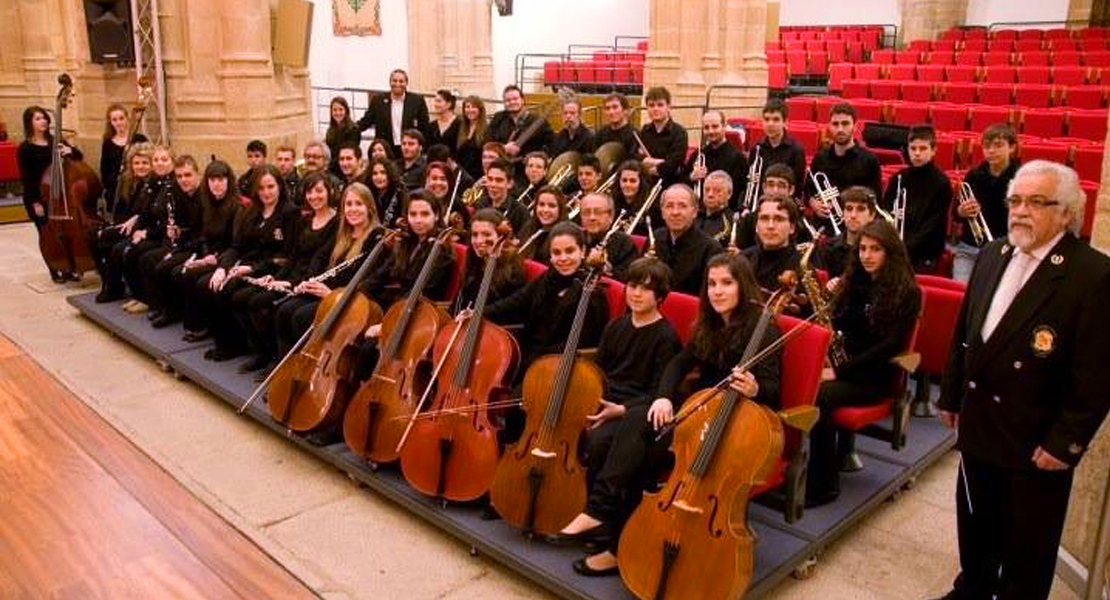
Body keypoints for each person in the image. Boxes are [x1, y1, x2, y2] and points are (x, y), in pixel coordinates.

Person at [933, 161, 1110, 600]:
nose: (1020, 211)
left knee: (1027, 548)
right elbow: (965, 335)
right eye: (1015, 201)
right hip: (980, 428)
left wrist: (1065, 443)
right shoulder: (994, 254)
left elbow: (1097, 374)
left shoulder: (1092, 275)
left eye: (1036, 202)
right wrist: (951, 395)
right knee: (975, 522)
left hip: (1034, 441)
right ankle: (971, 588)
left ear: (1066, 212)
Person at [551, 252, 780, 576]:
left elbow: (774, 390)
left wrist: (756, 388)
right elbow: (678, 365)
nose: (717, 291)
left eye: (726, 283)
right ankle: (607, 524)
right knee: (636, 423)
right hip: (697, 411)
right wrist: (662, 397)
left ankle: (611, 534)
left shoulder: (763, 328)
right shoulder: (710, 324)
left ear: (742, 286)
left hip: (733, 425)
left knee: (638, 448)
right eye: (712, 284)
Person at [805, 219, 921, 507]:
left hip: (876, 376)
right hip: (848, 364)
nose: (866, 255)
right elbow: (842, 323)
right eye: (863, 249)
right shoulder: (856, 281)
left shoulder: (908, 292)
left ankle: (824, 485)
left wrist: (839, 371)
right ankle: (811, 466)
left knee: (819, 396)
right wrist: (829, 303)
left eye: (875, 249)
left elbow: (889, 347)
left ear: (890, 252)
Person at [230, 170, 340, 375]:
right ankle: (263, 354)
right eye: (309, 192)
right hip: (292, 277)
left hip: (309, 281)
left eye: (319, 191)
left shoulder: (336, 223)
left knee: (265, 305)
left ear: (329, 191)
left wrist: (290, 283)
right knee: (241, 298)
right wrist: (277, 277)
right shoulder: (306, 220)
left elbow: (319, 262)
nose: (314, 196)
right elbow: (294, 256)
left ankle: (277, 362)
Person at [190, 164, 296, 361]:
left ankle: (258, 352)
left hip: (269, 270)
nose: (266, 192)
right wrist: (223, 268)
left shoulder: (289, 213)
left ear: (280, 186)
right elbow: (237, 246)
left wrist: (252, 268)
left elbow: (285, 256)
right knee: (209, 285)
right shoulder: (252, 211)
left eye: (270, 187)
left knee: (236, 296)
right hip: (245, 266)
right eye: (261, 188)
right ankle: (228, 343)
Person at [273, 181, 386, 363]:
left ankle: (306, 367)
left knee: (301, 317)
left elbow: (367, 280)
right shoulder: (343, 234)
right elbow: (322, 262)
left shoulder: (377, 237)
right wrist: (308, 283)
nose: (353, 209)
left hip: (352, 299)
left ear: (370, 208)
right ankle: (283, 367)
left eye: (359, 204)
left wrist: (331, 294)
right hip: (331, 292)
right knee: (283, 310)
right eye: (348, 204)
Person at [486, 221, 609, 376]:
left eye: (570, 251)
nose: (563, 258)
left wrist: (539, 363)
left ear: (583, 251)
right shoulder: (548, 278)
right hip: (528, 358)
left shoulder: (592, 292)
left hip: (558, 369)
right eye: (557, 253)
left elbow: (584, 343)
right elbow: (514, 302)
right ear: (550, 256)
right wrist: (477, 313)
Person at [171, 160, 241, 340]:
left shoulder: (236, 206)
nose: (216, 184)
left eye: (220, 179)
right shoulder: (207, 204)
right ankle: (194, 324)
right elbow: (204, 235)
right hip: (211, 255)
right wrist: (205, 254)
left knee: (198, 279)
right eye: (212, 180)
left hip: (228, 258)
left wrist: (216, 259)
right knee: (184, 272)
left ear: (228, 181)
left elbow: (236, 244)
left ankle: (203, 326)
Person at [18, 105, 83, 282]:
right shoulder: (25, 149)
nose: (43, 121)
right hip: (39, 197)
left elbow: (78, 157)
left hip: (61, 195)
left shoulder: (56, 141)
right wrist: (36, 203)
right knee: (48, 236)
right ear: (29, 123)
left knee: (66, 233)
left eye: (44, 117)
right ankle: (54, 269)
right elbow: (27, 179)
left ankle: (69, 267)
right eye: (38, 118)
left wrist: (71, 151)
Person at [361, 194, 456, 309]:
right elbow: (380, 276)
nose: (418, 220)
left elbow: (422, 293)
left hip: (419, 312)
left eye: (425, 214)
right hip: (398, 304)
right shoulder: (406, 243)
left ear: (436, 216)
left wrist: (386, 321)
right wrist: (357, 293)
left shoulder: (441, 250)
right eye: (413, 214)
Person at [952, 123, 1019, 283]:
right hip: (968, 249)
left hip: (1004, 251)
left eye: (998, 146)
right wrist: (961, 211)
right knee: (960, 294)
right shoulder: (974, 175)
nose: (991, 151)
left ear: (1012, 148)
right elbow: (956, 214)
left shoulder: (1021, 178)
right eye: (987, 146)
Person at [142, 155, 204, 328]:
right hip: (187, 243)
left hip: (199, 248)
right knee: (150, 259)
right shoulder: (180, 194)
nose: (183, 180)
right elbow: (186, 227)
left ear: (197, 174)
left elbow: (202, 233)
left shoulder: (203, 196)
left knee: (165, 267)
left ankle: (172, 311)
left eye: (188, 175)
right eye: (179, 176)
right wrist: (177, 231)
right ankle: (161, 307)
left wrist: (180, 241)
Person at [881, 124, 952, 272]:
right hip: (896, 248)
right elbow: (885, 212)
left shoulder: (941, 183)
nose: (917, 153)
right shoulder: (899, 178)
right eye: (913, 148)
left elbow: (931, 226)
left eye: (923, 148)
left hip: (924, 254)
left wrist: (903, 248)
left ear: (933, 151)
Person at [90, 142, 156, 301]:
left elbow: (146, 214)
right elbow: (121, 209)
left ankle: (114, 286)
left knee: (109, 244)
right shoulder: (127, 181)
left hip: (142, 228)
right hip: (125, 224)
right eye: (137, 163)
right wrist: (114, 225)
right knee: (94, 238)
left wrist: (132, 223)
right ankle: (110, 282)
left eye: (145, 163)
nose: (140, 167)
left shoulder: (153, 184)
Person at [807, 103, 882, 234]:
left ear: (855, 126)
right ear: (829, 127)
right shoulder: (820, 158)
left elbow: (875, 201)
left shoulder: (869, 160)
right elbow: (809, 189)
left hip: (857, 230)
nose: (840, 129)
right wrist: (813, 202)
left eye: (845, 123)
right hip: (823, 228)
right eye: (835, 124)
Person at [651, 184, 722, 293]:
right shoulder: (655, 237)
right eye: (669, 206)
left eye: (682, 206)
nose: (675, 212)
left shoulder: (711, 249)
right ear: (662, 213)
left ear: (694, 212)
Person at [454, 208, 525, 312]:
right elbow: (460, 302)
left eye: (487, 234)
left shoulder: (513, 271)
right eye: (475, 235)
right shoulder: (474, 261)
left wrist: (476, 315)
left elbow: (508, 310)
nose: (479, 241)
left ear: (501, 237)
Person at [356, 69, 430, 159]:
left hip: (408, 149)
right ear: (390, 82)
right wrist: (350, 128)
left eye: (401, 81)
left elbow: (424, 127)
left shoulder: (417, 101)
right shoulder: (378, 100)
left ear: (406, 83)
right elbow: (366, 121)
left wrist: (423, 149)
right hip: (386, 149)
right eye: (394, 81)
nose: (397, 84)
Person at [686, 110, 747, 210]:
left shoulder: (738, 158)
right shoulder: (697, 155)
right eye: (706, 128)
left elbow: (738, 193)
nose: (710, 131)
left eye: (715, 126)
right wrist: (691, 177)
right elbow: (682, 183)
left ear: (724, 127)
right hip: (699, 213)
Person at [742, 194, 803, 293]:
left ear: (792, 227)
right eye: (764, 218)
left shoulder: (803, 268)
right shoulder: (742, 260)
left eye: (779, 219)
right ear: (756, 226)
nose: (770, 226)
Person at [814, 185, 878, 279]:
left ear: (872, 215)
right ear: (842, 213)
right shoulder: (827, 248)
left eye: (860, 209)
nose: (853, 215)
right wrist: (827, 286)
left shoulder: (879, 250)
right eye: (848, 209)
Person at [99, 103, 147, 219]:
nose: (118, 122)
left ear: (127, 119)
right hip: (115, 187)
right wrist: (109, 187)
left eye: (121, 118)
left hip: (135, 185)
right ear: (110, 122)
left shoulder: (138, 139)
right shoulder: (108, 142)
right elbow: (104, 167)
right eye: (114, 120)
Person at [747, 98, 806, 192]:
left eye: (776, 119)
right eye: (767, 119)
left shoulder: (796, 151)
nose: (770, 124)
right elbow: (750, 183)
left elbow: (798, 187)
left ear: (785, 122)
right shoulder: (757, 149)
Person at [580, 192, 639, 281]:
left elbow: (629, 279)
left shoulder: (624, 243)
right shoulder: (574, 238)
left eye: (598, 212)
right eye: (586, 212)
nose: (592, 217)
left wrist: (605, 269)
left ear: (611, 216)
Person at [638, 86, 688, 186]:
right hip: (646, 184)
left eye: (660, 105)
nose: (655, 109)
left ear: (669, 107)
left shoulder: (680, 133)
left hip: (670, 184)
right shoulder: (644, 131)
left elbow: (673, 165)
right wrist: (661, 162)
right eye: (651, 105)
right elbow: (636, 159)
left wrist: (650, 165)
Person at [487, 85, 553, 160]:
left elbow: (551, 144)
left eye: (515, 99)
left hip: (527, 168)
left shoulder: (537, 120)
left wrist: (537, 159)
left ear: (522, 100)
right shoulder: (498, 118)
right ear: (504, 103)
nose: (512, 102)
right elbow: (488, 142)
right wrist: (503, 148)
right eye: (508, 100)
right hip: (503, 166)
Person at [515, 185, 569, 263]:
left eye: (551, 206)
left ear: (560, 209)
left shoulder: (565, 236)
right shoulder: (529, 227)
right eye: (541, 204)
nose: (545, 210)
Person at [476, 158, 530, 234]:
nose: (493, 184)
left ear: (510, 184)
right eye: (490, 179)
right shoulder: (480, 204)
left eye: (499, 180)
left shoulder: (521, 213)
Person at [594, 93, 638, 158]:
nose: (611, 112)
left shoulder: (634, 134)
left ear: (625, 110)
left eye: (615, 107)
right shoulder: (600, 133)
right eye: (607, 108)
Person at [325, 96, 361, 176]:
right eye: (334, 110)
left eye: (341, 109)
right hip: (333, 168)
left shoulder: (353, 129)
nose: (337, 113)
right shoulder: (330, 130)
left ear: (346, 111)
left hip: (346, 168)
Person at [696, 170, 734, 242]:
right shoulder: (693, 216)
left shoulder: (733, 222)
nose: (710, 194)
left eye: (717, 191)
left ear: (729, 194)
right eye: (707, 190)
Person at [456, 95, 488, 181]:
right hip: (462, 175)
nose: (470, 110)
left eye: (474, 107)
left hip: (478, 175)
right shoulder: (460, 127)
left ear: (480, 110)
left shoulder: (487, 129)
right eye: (467, 107)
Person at [365, 156, 404, 226]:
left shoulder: (400, 192)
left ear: (390, 174)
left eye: (383, 173)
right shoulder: (368, 193)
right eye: (375, 173)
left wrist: (396, 221)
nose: (379, 177)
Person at [426, 89, 460, 154]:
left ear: (449, 104)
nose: (436, 104)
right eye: (435, 101)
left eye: (439, 101)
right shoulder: (431, 125)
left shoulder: (459, 124)